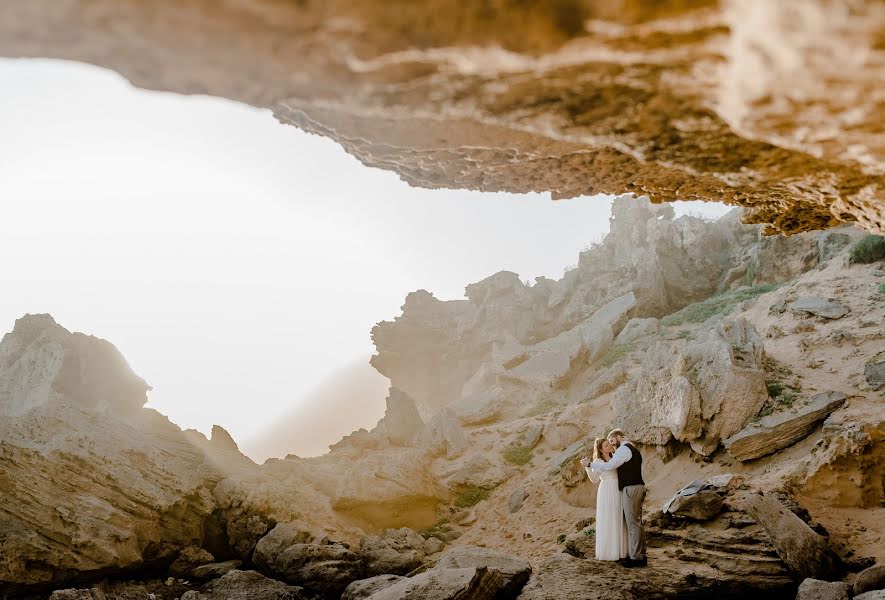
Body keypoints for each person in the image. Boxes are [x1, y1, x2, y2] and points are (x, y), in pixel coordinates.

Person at [587, 428, 647, 567]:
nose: (612, 445)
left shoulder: (623, 450)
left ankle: (637, 558)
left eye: (612, 442)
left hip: (630, 489)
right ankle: (640, 555)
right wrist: (589, 467)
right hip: (631, 487)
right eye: (609, 444)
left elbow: (610, 466)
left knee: (632, 523)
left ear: (620, 437)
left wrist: (590, 464)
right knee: (635, 521)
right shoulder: (631, 448)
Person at [580, 438, 628, 561]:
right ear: (601, 449)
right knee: (609, 518)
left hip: (618, 489)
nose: (609, 447)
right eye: (606, 445)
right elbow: (594, 479)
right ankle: (610, 552)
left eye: (609, 444)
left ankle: (621, 551)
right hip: (606, 490)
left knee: (619, 517)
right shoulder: (598, 461)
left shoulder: (614, 456)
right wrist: (587, 467)